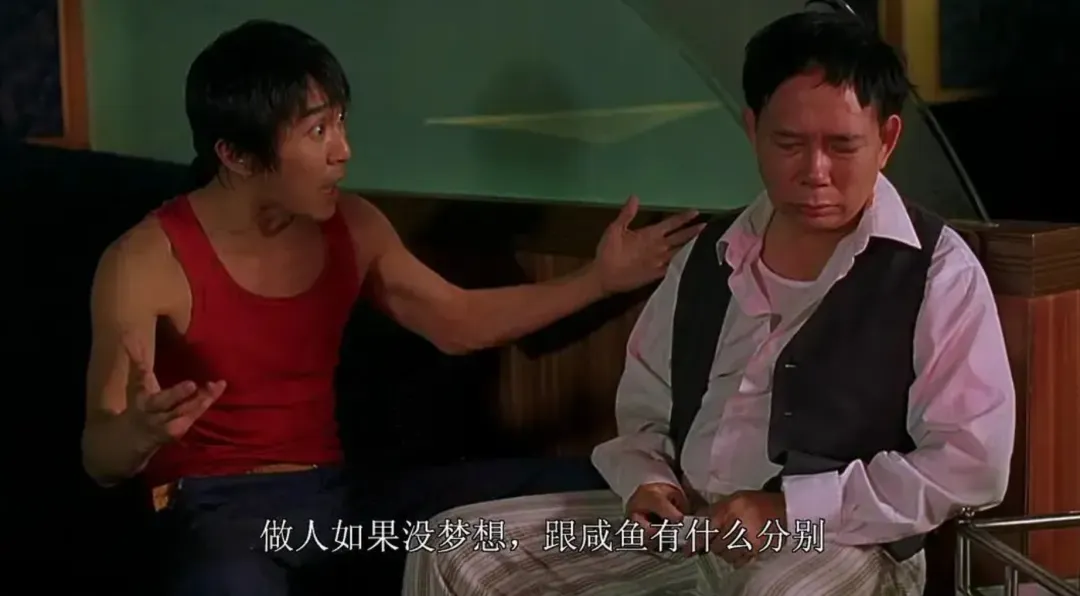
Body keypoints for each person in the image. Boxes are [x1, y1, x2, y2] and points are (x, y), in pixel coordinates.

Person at [78, 20, 704, 596]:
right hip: (217, 508)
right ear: (236, 155)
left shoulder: (352, 225)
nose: (343, 150)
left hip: (341, 506)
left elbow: (457, 322)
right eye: (317, 131)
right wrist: (138, 433)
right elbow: (99, 457)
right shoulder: (145, 260)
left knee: (597, 489)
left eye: (341, 122)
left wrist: (600, 279)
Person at [401, 11, 1015, 596]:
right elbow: (644, 407)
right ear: (752, 130)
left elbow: (971, 464)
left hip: (840, 541)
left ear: (887, 139)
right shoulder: (709, 253)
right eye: (789, 143)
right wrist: (648, 482)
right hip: (687, 526)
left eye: (842, 146)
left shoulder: (936, 269)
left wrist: (789, 508)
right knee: (451, 547)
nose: (815, 171)